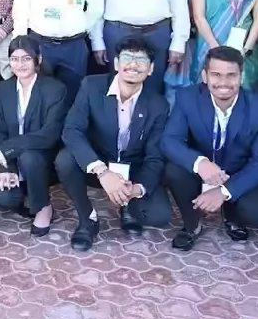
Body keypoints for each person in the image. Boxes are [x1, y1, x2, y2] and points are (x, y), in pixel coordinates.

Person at [56, 38, 172, 250]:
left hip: (132, 170)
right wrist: (102, 172)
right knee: (65, 160)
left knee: (160, 215)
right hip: (97, 163)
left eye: (141, 60)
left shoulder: (159, 104)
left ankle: (127, 204)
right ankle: (87, 217)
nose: (134, 64)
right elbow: (72, 130)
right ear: (117, 63)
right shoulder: (91, 85)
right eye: (127, 58)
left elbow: (155, 156)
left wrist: (137, 189)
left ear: (151, 69)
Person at [161, 47, 258, 251]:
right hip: (200, 172)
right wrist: (199, 163)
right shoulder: (188, 97)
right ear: (205, 76)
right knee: (174, 170)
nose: (223, 82)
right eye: (216, 75)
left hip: (238, 173)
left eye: (231, 75)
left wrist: (224, 191)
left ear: (241, 77)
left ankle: (231, 212)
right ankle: (192, 223)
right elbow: (170, 140)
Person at [0, 36, 66, 236]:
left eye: (26, 58)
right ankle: (23, 194)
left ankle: (43, 207)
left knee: (29, 156)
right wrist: (7, 167)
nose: (20, 64)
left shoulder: (55, 89)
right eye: (15, 59)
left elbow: (50, 134)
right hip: (11, 157)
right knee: (4, 197)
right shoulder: (0, 90)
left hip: (43, 157)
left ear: (38, 60)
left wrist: (8, 149)